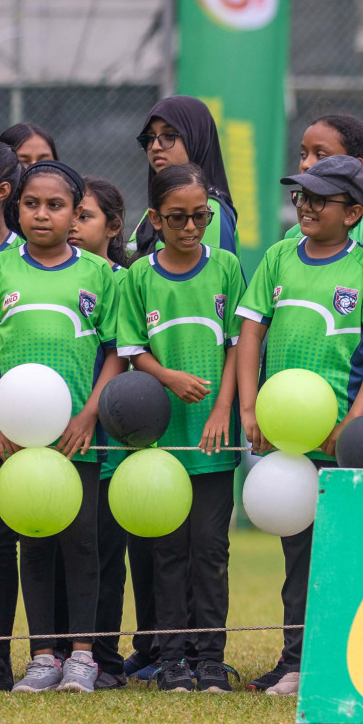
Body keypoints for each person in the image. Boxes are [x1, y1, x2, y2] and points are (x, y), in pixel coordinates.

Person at [236, 155, 363, 696]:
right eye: (300, 196)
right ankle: (295, 664)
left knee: (339, 554)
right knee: (297, 553)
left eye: (319, 199)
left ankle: (338, 663)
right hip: (286, 440)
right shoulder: (281, 254)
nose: (304, 206)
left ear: (353, 212)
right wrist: (247, 409)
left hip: (335, 440)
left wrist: (352, 424)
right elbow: (251, 332)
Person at [0, 162, 125, 693]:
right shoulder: (2, 269)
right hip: (18, 443)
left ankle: (82, 656)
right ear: (17, 207)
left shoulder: (99, 275)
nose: (42, 214)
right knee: (35, 545)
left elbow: (119, 351)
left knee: (82, 544)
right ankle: (43, 655)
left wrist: (90, 412)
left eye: (55, 206)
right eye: (31, 204)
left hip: (80, 439)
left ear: (75, 214)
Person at [115, 164, 244, 692]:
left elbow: (239, 345)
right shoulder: (138, 277)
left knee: (211, 548)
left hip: (212, 440)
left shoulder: (228, 269)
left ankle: (209, 657)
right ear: (155, 220)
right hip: (160, 447)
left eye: (201, 217)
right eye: (177, 219)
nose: (191, 228)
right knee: (167, 550)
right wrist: (166, 375)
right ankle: (171, 659)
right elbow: (131, 351)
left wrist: (222, 411)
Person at [68, 176, 132, 690]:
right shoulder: (63, 275)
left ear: (113, 226)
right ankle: (61, 653)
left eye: (84, 216)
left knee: (105, 554)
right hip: (66, 446)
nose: (71, 225)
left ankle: (104, 658)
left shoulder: (121, 282)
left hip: (110, 447)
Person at [128, 97, 237, 258]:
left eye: (169, 136)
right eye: (150, 138)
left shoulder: (205, 211)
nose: (156, 146)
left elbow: (204, 280)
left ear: (196, 138)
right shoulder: (158, 208)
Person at [282, 114, 363, 248]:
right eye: (303, 155)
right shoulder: (293, 235)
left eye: (320, 156)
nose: (306, 164)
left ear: (356, 166)